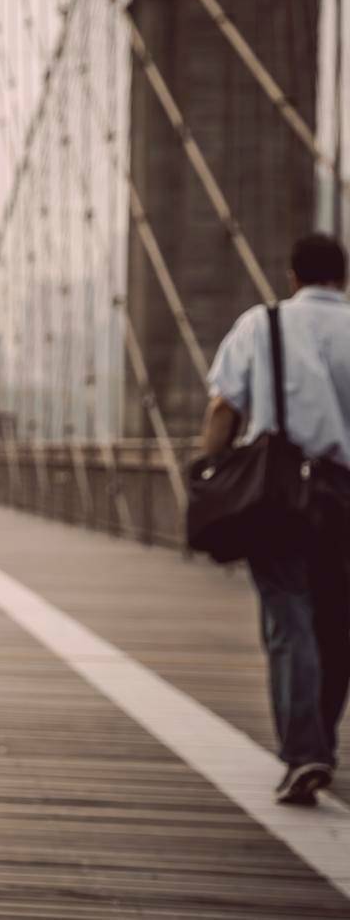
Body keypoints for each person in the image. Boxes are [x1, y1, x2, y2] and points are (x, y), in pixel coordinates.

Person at [202, 232, 350, 808]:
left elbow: (224, 406)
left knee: (289, 620)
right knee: (338, 626)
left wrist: (209, 471)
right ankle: (322, 743)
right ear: (342, 277)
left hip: (281, 497)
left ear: (292, 276)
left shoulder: (260, 325)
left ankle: (303, 750)